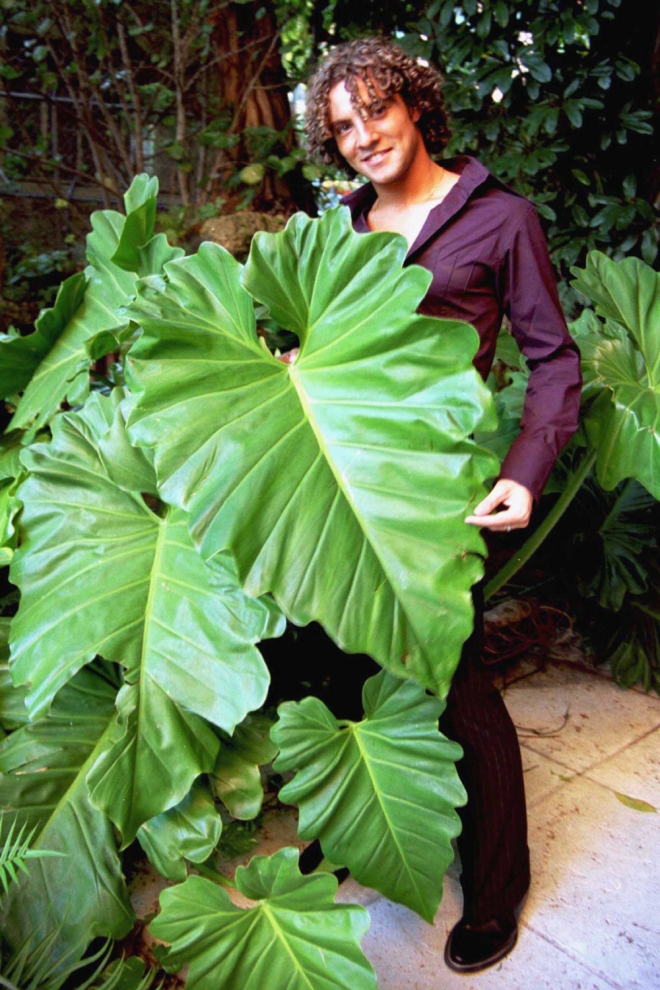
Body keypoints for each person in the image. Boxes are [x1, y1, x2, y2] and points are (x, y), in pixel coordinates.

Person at [302, 37, 582, 973]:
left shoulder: (500, 219)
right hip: (349, 482)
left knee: (453, 678)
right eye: (343, 125)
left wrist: (526, 469)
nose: (363, 136)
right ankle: (375, 828)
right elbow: (323, 351)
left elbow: (554, 361)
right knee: (348, 660)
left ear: (415, 105)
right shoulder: (338, 231)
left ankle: (496, 888)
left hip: (445, 488)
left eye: (376, 110)